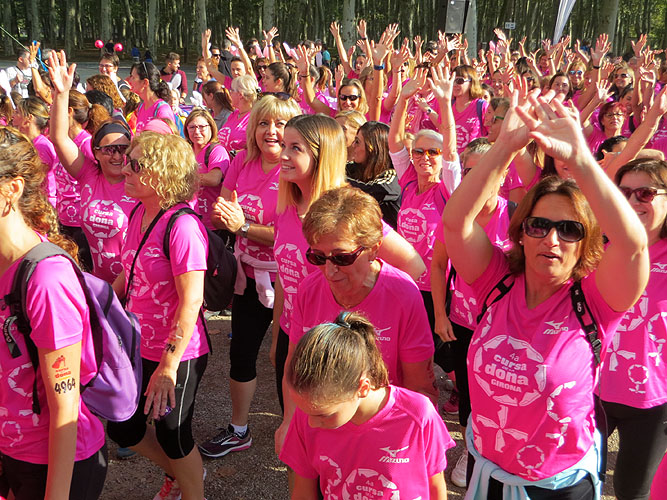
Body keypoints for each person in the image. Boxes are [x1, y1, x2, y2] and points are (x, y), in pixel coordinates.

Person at [441, 91, 648, 497]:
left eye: (569, 229)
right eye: (538, 225)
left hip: (557, 487)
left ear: (586, 242)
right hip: (489, 473)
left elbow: (633, 245)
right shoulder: (496, 281)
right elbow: (455, 222)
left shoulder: (595, 301)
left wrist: (581, 161)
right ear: (521, 232)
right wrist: (504, 146)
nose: (552, 239)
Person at [271, 113, 426, 411]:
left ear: (322, 154)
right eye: (284, 145)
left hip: (339, 345)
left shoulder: (347, 211)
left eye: (295, 148)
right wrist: (279, 334)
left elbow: (413, 265)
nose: (283, 155)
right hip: (297, 336)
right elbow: (285, 277)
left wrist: (369, 312)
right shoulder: (287, 207)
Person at [275, 186, 439, 454]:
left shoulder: (403, 295)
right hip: (321, 427)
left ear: (373, 249)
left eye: (342, 258)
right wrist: (288, 424)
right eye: (317, 257)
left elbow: (420, 389)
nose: (329, 271)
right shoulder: (308, 290)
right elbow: (294, 367)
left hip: (381, 434)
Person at [0, 126, 107, 499]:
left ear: (11, 189)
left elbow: (65, 406)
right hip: (10, 449)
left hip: (51, 462)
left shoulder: (47, 279)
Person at [106, 132, 209, 500]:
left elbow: (191, 300)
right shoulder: (138, 212)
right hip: (138, 344)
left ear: (163, 173)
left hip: (178, 353)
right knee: (122, 427)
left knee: (173, 434)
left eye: (135, 165)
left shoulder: (183, 227)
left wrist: (167, 367)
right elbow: (130, 270)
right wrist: (100, 305)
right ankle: (181, 475)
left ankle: (192, 489)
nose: (125, 169)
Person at [199, 95, 301, 459]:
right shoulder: (242, 160)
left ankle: (297, 433)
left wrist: (244, 226)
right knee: (241, 353)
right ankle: (239, 429)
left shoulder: (297, 168)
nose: (271, 131)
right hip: (247, 275)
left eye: (280, 124)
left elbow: (295, 234)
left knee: (288, 358)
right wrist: (230, 220)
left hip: (289, 280)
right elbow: (221, 211)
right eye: (263, 123)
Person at [279, 311, 455, 499]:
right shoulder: (308, 413)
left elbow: (435, 486)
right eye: (305, 411)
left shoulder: (418, 415)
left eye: (324, 415)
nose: (311, 423)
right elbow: (303, 492)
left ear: (362, 387)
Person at [598, 159, 667, 500]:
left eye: (646, 193)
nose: (633, 201)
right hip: (592, 389)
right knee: (576, 480)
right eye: (624, 192)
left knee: (632, 491)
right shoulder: (598, 248)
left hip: (653, 400)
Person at [49, 50, 136, 284]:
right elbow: (59, 137)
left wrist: (112, 295)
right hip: (97, 281)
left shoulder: (140, 182)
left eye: (123, 149)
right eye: (109, 149)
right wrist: (61, 94)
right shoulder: (89, 175)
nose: (117, 156)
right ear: (95, 152)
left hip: (133, 285)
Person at [183, 107, 230, 232]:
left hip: (212, 224)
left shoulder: (216, 151)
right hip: (190, 220)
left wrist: (183, 177)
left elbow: (214, 179)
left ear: (211, 128)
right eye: (192, 127)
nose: (197, 132)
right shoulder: (186, 151)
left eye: (202, 127)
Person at [346, 121, 400, 229]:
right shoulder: (352, 167)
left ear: (372, 148)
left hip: (389, 236)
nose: (353, 145)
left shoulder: (393, 175)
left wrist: (339, 180)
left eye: (357, 142)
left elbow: (372, 190)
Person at [11, 96, 58, 209]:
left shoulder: (42, 146)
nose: (13, 115)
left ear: (29, 118)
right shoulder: (30, 142)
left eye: (17, 112)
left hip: (43, 203)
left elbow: (36, 178)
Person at [127, 61, 176, 133]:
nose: (129, 80)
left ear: (145, 82)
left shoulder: (162, 110)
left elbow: (168, 138)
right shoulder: (141, 107)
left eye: (133, 77)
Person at [452, 64, 488, 153]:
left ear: (471, 83)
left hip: (475, 158)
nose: (454, 84)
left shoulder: (482, 106)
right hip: (452, 159)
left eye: (459, 81)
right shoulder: (448, 106)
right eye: (452, 80)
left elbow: (493, 134)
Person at [217, 74, 257, 154]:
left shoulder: (254, 118)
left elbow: (255, 147)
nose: (229, 93)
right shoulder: (234, 114)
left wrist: (235, 154)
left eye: (231, 90)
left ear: (240, 95)